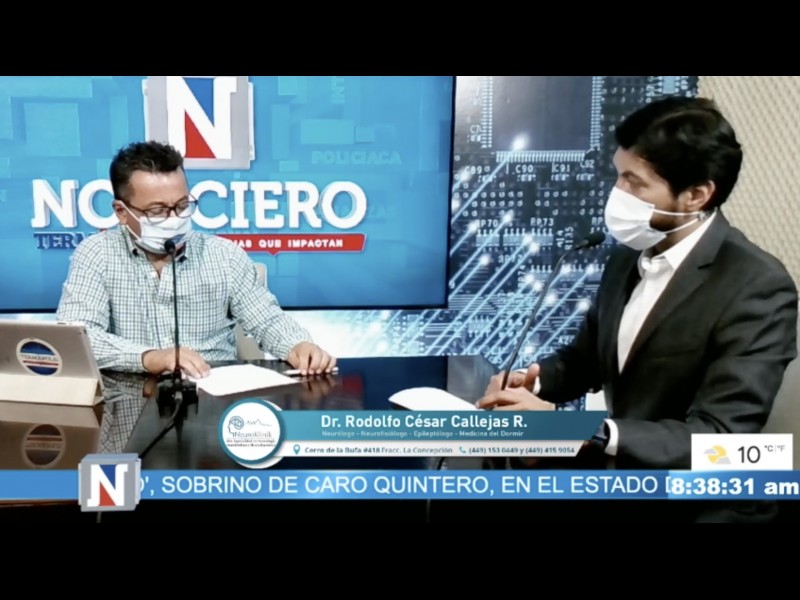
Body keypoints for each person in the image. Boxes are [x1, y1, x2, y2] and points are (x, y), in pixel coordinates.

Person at [477, 97, 798, 518]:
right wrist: (533, 383)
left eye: (634, 182)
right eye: (618, 175)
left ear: (696, 195)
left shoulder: (757, 286)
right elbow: (586, 360)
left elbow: (721, 438)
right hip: (622, 483)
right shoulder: (628, 254)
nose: (617, 194)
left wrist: (590, 432)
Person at [57, 141, 336, 378]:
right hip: (130, 398)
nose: (174, 218)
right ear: (121, 211)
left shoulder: (224, 256)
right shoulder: (95, 254)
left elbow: (267, 319)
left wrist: (298, 345)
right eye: (157, 211)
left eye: (182, 205)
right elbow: (77, 338)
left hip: (212, 396)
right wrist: (148, 358)